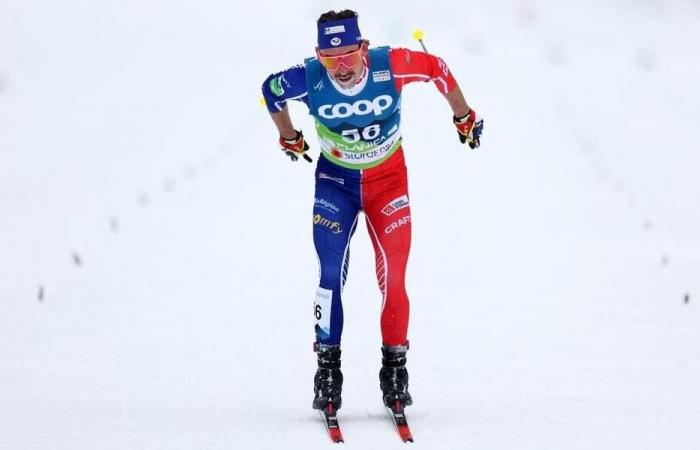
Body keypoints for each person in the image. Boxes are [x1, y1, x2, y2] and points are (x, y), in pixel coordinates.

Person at [261, 9, 483, 414]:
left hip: (388, 183)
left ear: (363, 48)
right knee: (330, 274)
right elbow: (270, 89)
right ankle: (328, 373)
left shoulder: (390, 64)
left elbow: (438, 68)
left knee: (394, 276)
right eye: (331, 60)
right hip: (336, 184)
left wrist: (463, 116)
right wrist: (288, 136)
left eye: (348, 56)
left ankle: (395, 371)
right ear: (318, 55)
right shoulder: (309, 77)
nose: (341, 69)